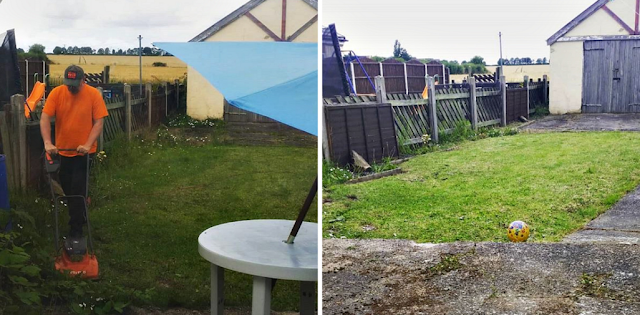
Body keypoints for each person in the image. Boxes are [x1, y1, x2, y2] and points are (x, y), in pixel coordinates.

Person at [40, 65, 108, 239]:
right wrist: (48, 142)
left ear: (83, 80)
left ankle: (76, 230)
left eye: (75, 84)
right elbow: (45, 118)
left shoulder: (93, 95)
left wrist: (87, 144)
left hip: (84, 154)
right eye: (68, 83)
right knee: (69, 189)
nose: (71, 87)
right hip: (62, 151)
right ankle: (80, 214)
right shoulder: (57, 93)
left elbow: (98, 123)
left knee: (77, 190)